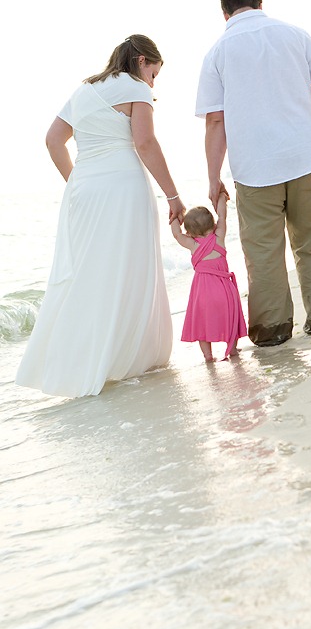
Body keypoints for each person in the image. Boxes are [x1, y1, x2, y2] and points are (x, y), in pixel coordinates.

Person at [16, 34, 186, 398]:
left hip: (84, 191)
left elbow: (53, 140)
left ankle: (80, 361)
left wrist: (77, 181)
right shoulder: (136, 88)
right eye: (154, 74)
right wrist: (173, 195)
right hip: (123, 188)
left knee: (91, 271)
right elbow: (145, 143)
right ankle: (129, 357)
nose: (153, 83)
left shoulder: (84, 91)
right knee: (130, 267)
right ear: (142, 61)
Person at [195, 0, 311, 347]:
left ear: (225, 13)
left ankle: (273, 329)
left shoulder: (218, 51)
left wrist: (212, 177)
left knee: (264, 252)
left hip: (254, 169)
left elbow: (215, 121)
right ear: (259, 3)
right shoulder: (295, 35)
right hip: (302, 156)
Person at [171, 193, 247, 362]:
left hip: (203, 291)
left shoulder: (192, 244)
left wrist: (174, 216)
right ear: (213, 225)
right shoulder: (219, 237)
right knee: (229, 317)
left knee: (202, 323)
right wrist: (220, 197)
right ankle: (232, 349)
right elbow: (222, 215)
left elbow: (176, 235)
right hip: (224, 289)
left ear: (189, 232)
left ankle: (208, 355)